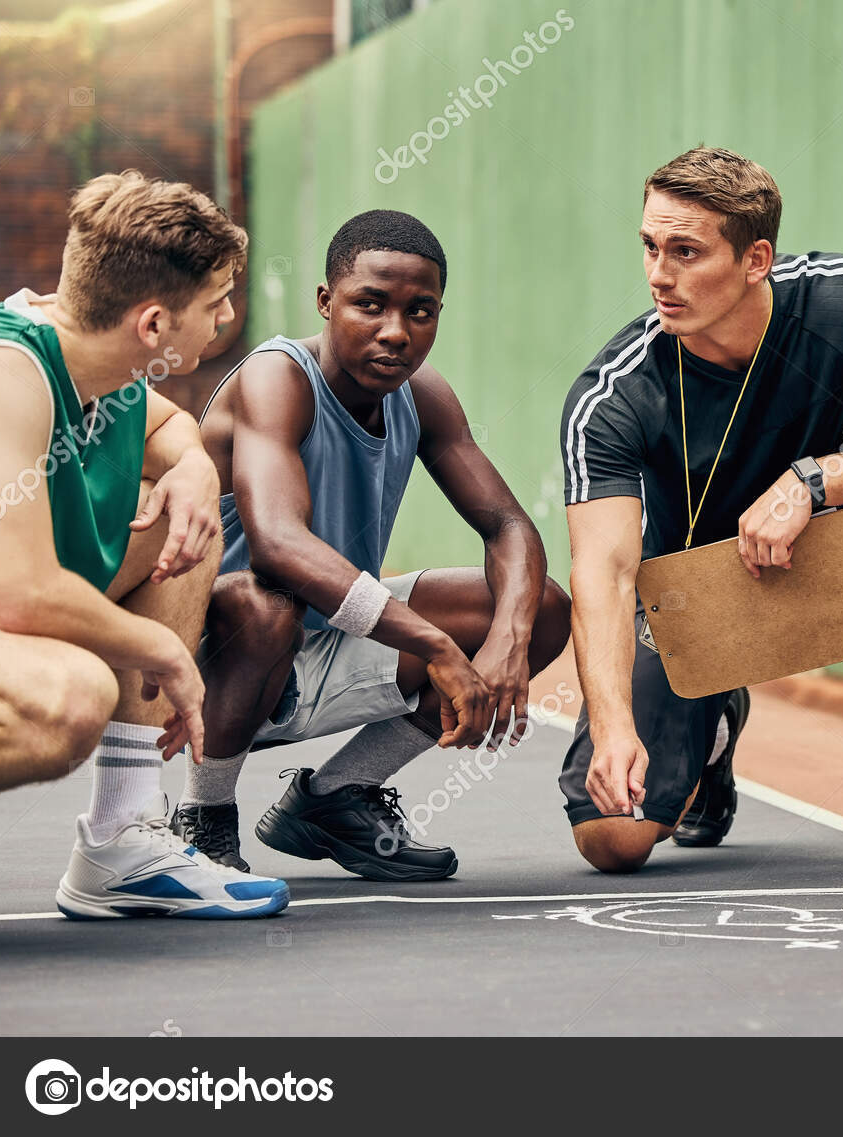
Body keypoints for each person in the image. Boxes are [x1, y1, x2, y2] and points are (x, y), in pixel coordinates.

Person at [559, 146, 843, 883]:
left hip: (822, 560)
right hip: (693, 607)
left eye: (686, 252)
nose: (659, 274)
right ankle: (712, 732)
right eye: (651, 247)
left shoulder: (841, 299)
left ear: (755, 259)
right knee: (613, 839)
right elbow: (603, 573)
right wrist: (613, 728)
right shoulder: (615, 394)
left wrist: (811, 481)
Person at [178, 209, 571, 880]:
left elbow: (508, 526)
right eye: (370, 304)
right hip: (214, 657)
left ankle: (334, 798)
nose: (396, 331)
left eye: (420, 311)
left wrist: (508, 638)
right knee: (264, 605)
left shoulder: (422, 393)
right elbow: (277, 546)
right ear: (326, 301)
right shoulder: (276, 377)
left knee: (544, 608)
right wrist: (436, 646)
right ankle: (203, 814)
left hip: (330, 631)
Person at [0, 170, 287, 918]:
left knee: (185, 522)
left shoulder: (98, 359)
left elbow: (170, 426)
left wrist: (193, 470)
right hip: (4, 604)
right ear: (153, 325)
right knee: (67, 698)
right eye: (215, 302)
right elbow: (21, 594)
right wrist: (164, 651)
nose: (226, 317)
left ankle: (121, 841)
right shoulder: (6, 374)